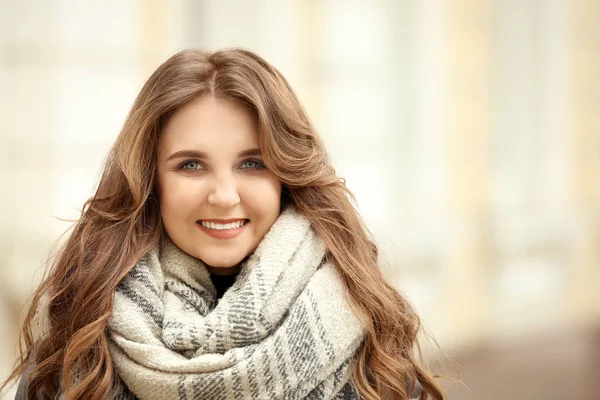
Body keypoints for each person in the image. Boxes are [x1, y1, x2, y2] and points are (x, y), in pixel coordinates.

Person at [2, 48, 444, 400]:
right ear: (150, 180)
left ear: (286, 176)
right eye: (191, 165)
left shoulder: (361, 324)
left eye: (252, 163)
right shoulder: (84, 330)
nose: (224, 195)